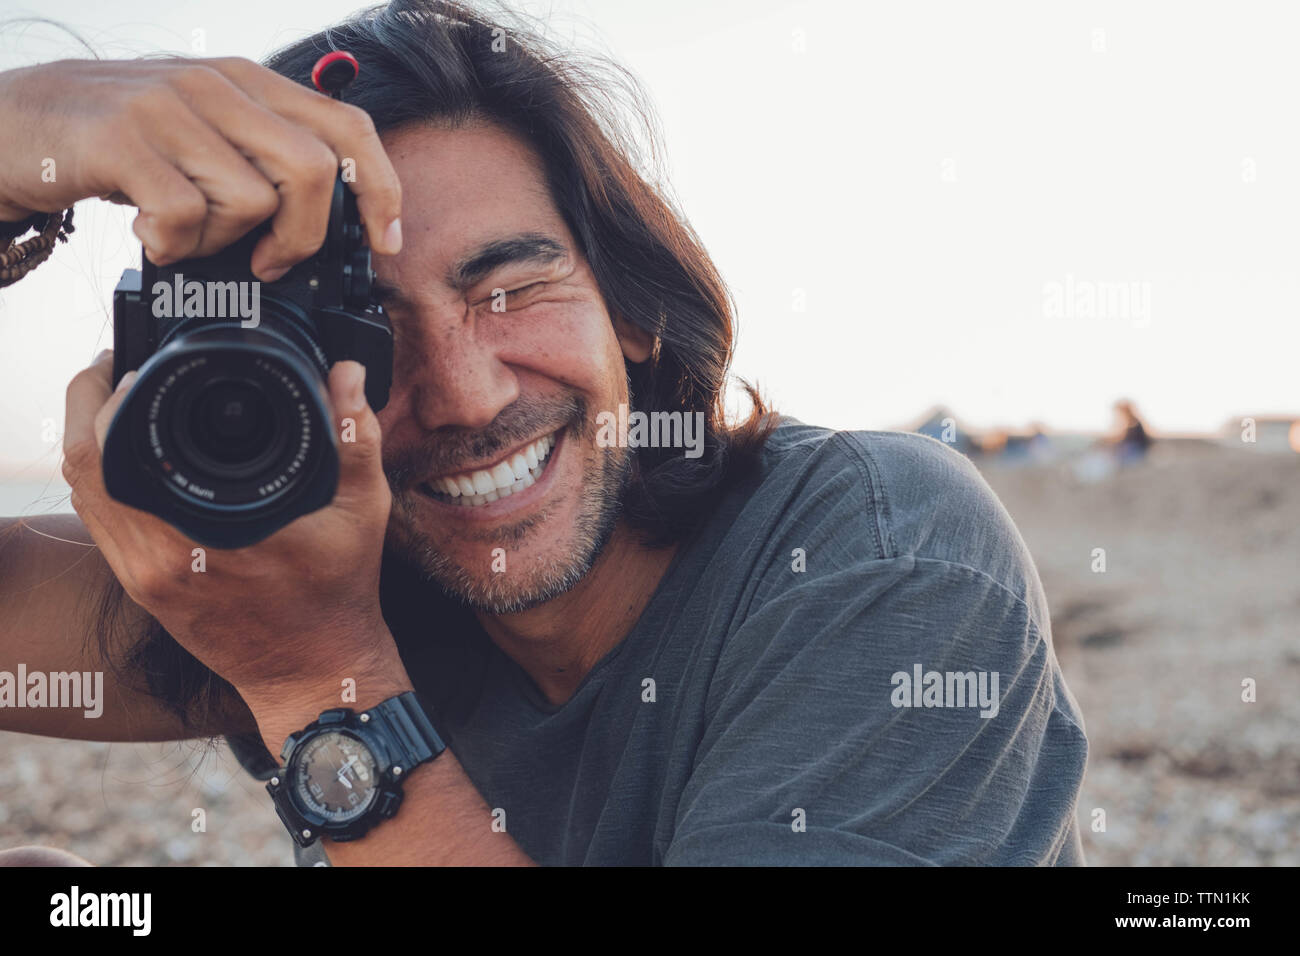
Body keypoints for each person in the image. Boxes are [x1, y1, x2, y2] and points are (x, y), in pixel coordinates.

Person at [0, 0, 1088, 866]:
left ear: (633, 307)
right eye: (364, 326)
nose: (467, 395)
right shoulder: (300, 580)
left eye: (512, 287)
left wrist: (317, 683)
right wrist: (13, 144)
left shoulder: (883, 553)